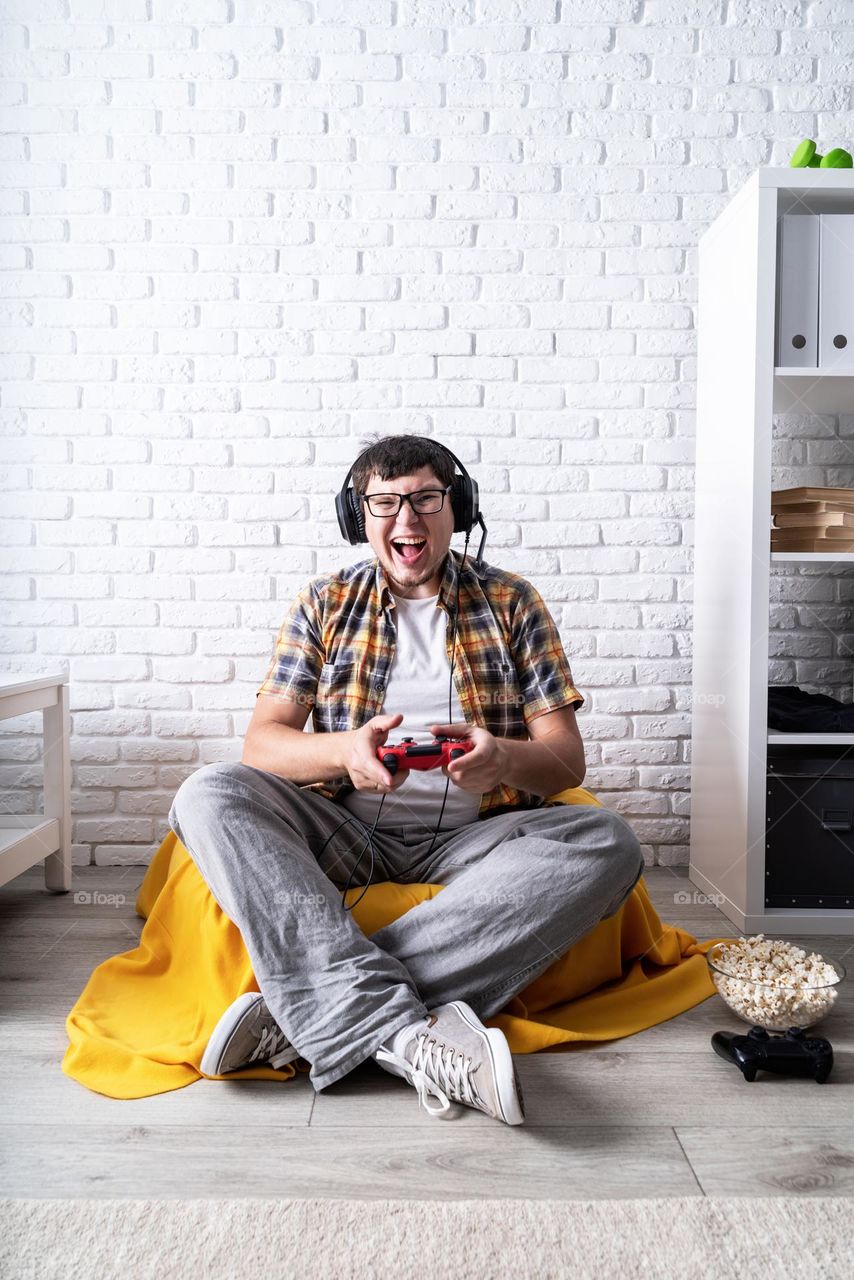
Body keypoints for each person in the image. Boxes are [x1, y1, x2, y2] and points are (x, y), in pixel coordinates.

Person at [167, 434, 645, 1125]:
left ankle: (299, 1012)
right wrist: (345, 753)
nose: (407, 520)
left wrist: (503, 759)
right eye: (384, 503)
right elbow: (262, 746)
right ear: (357, 515)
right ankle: (395, 1030)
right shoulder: (325, 602)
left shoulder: (513, 602)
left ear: (460, 509)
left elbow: (567, 763)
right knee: (209, 792)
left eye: (426, 499)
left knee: (607, 841)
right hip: (345, 828)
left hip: (477, 835)